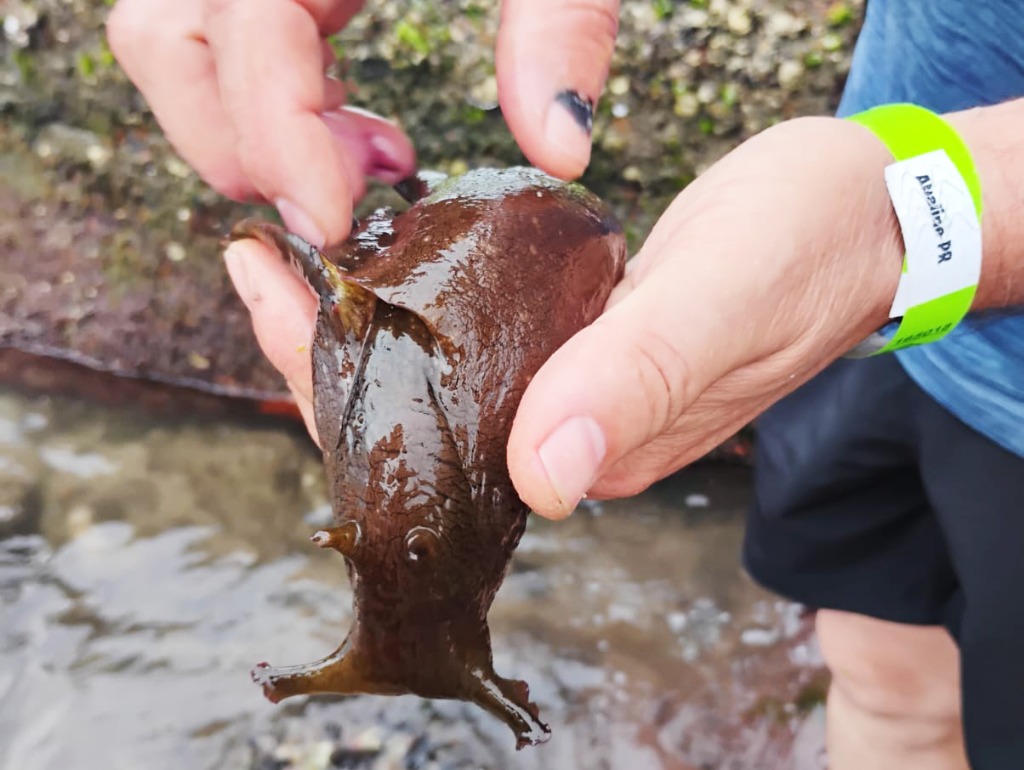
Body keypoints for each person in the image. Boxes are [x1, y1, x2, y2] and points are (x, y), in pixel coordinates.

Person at [105, 0, 1024, 767]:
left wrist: (906, 225)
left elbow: (882, 224)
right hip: (864, 327)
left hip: (909, 301)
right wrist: (893, 233)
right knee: (881, 671)